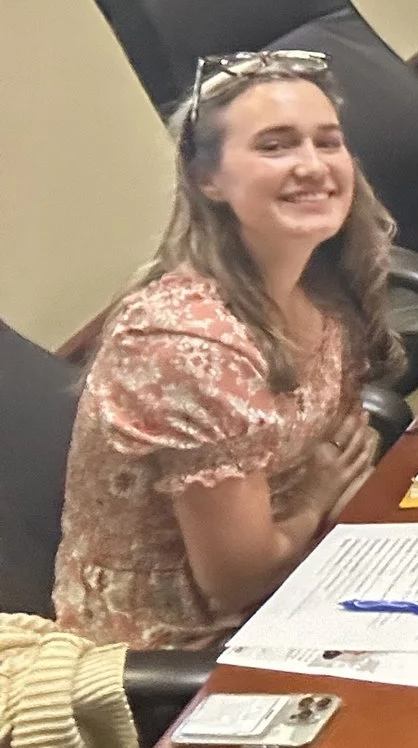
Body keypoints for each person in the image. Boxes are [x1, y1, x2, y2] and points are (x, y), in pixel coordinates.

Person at [53, 54, 397, 650]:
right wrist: (316, 497)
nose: (313, 166)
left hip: (308, 571)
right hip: (183, 650)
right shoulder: (184, 344)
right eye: (275, 146)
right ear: (208, 180)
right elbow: (235, 584)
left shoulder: (323, 281)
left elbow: (343, 455)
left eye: (328, 142)